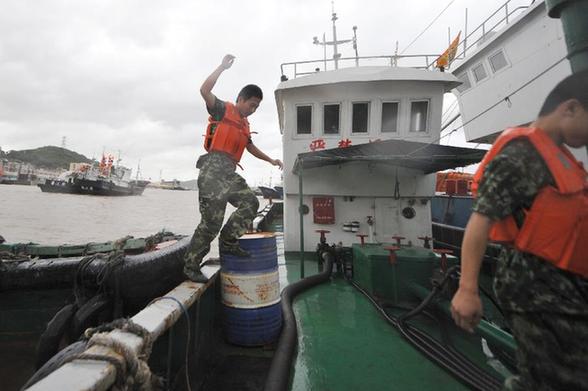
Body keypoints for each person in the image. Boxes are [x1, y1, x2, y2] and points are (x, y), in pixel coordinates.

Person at [450, 70, 588, 390]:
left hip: (568, 292)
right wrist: (468, 289)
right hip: (537, 293)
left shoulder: (559, 156)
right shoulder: (521, 154)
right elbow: (481, 218)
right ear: (570, 108)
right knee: (549, 381)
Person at [184, 54, 283, 283]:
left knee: (251, 202)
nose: (254, 110)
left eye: (257, 107)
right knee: (211, 222)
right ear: (241, 99)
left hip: (228, 172)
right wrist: (222, 67)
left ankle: (228, 241)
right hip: (212, 170)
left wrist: (271, 160)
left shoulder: (245, 124)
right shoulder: (222, 109)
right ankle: (191, 266)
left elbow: (250, 147)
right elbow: (204, 90)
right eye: (252, 105)